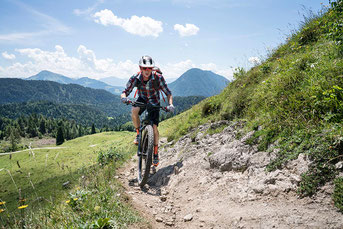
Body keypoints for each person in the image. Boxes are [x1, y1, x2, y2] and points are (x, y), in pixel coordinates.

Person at [121, 55, 174, 167]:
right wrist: (124, 97)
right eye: (144, 68)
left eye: (149, 68)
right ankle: (138, 134)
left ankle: (155, 153)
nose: (147, 71)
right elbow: (125, 91)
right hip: (142, 100)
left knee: (154, 127)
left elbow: (168, 92)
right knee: (134, 110)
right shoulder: (135, 78)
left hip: (154, 102)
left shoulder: (158, 77)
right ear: (140, 68)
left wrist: (170, 104)